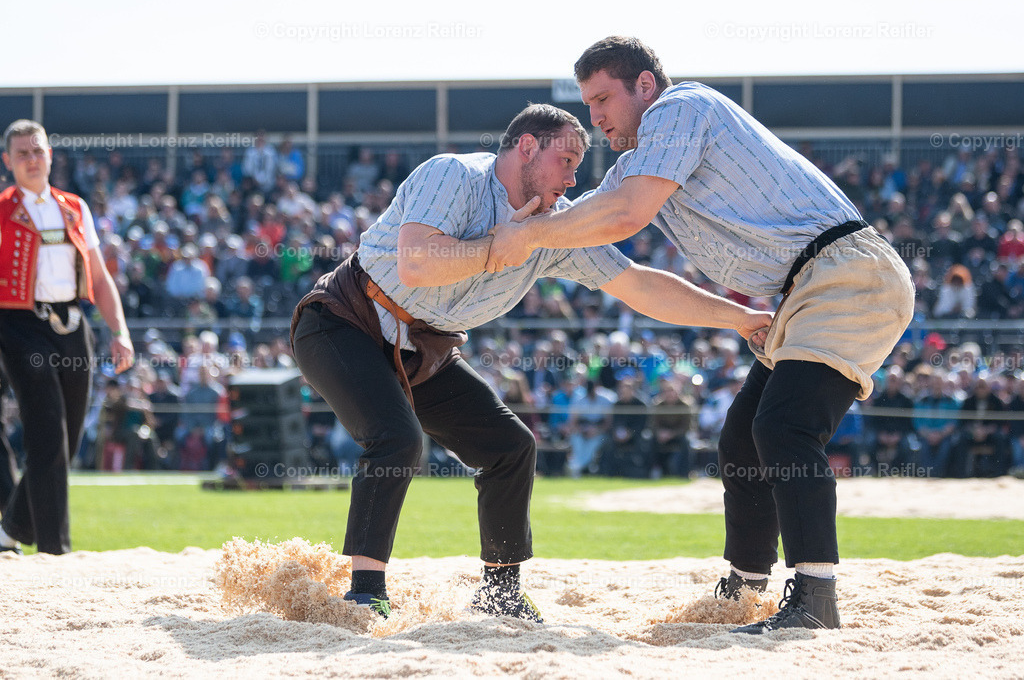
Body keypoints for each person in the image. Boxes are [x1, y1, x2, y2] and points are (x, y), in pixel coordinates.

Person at [486, 37, 915, 633]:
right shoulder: (642, 156)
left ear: (645, 86)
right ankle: (744, 590)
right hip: (809, 285)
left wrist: (528, 235)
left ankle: (816, 596)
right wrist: (531, 222)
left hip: (847, 275)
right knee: (741, 441)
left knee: (785, 427)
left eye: (604, 98)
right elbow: (614, 238)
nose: (596, 117)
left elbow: (625, 214)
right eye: (588, 104)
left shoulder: (681, 109)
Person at [290, 104, 772, 621]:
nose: (572, 179)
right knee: (397, 438)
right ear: (526, 146)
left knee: (511, 446)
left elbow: (637, 284)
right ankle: (365, 589)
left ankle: (500, 593)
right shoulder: (455, 174)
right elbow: (418, 261)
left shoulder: (551, 230)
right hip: (342, 321)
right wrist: (500, 246)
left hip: (422, 349)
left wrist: (741, 318)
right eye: (565, 160)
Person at [0, 120, 135, 555]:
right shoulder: (1, 208)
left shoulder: (74, 206)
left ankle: (9, 531)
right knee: (47, 431)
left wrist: (120, 331)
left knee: (69, 437)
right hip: (18, 325)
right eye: (22, 153)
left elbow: (97, 275)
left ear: (51, 155)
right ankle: (56, 549)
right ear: (8, 162)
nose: (32, 159)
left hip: (73, 324)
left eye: (37, 151)